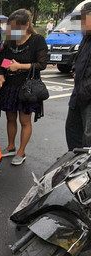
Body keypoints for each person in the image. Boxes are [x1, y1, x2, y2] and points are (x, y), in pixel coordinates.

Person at [0, 9, 48, 165]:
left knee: (25, 120)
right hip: (10, 86)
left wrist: (20, 66)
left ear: (27, 25)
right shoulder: (10, 40)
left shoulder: (37, 40)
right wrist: (1, 74)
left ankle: (21, 151)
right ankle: (11, 146)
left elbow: (42, 64)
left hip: (27, 87)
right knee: (10, 118)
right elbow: (3, 60)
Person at [65, 3, 91, 150]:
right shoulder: (86, 37)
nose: (82, 23)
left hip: (88, 95)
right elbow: (79, 57)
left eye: (85, 19)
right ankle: (75, 161)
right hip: (78, 93)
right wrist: (75, 69)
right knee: (72, 129)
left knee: (88, 137)